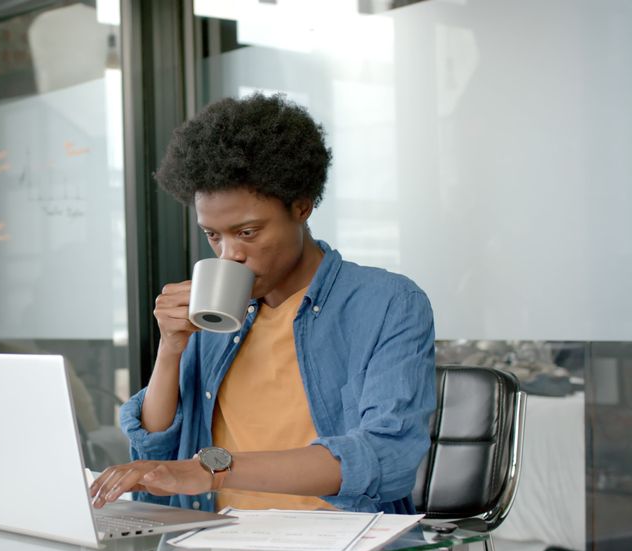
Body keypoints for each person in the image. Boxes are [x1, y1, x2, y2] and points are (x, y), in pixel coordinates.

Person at [89, 94, 436, 527]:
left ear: (302, 206)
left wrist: (212, 471)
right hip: (212, 542)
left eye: (247, 231)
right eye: (213, 235)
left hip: (335, 548)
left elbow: (389, 456)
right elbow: (157, 455)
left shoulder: (387, 304)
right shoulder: (216, 312)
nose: (229, 254)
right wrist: (171, 348)